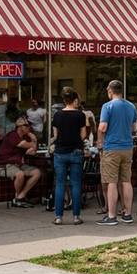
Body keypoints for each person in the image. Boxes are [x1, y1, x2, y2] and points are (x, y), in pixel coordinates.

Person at [97, 80, 137, 226]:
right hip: (127, 147)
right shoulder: (131, 106)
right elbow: (134, 127)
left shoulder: (107, 106)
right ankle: (127, 214)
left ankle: (112, 216)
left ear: (110, 90)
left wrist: (99, 142)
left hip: (112, 147)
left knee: (111, 182)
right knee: (126, 181)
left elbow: (103, 127)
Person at [51, 90, 87, 225]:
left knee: (60, 184)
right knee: (76, 184)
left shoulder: (57, 115)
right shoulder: (80, 115)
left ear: (64, 100)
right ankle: (76, 216)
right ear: (75, 99)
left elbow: (55, 134)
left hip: (60, 152)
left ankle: (58, 217)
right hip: (76, 151)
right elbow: (83, 135)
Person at [0, 118, 41, 207]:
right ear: (20, 127)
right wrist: (33, 141)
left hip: (18, 164)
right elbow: (23, 145)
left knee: (37, 172)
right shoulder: (12, 135)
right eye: (26, 126)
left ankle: (20, 196)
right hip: (5, 165)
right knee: (20, 174)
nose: (29, 128)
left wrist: (34, 141)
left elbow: (33, 152)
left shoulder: (25, 137)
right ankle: (17, 199)